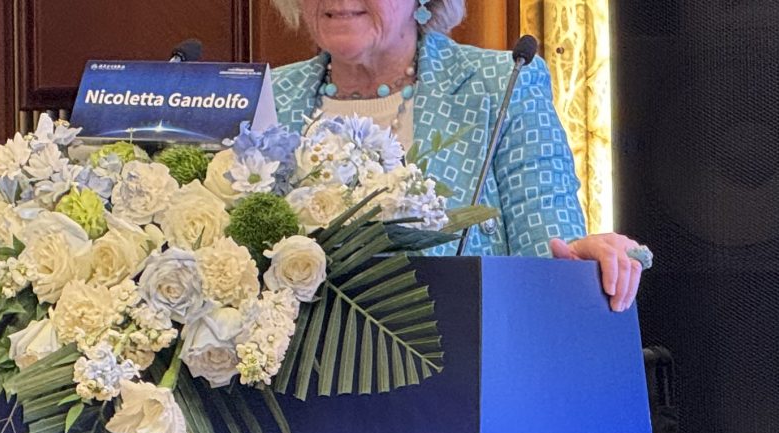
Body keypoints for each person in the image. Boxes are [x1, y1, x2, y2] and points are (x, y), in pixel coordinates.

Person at [265, 0, 646, 311]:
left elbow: (548, 245)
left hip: (463, 365)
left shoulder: (501, 85)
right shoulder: (264, 95)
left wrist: (580, 258)